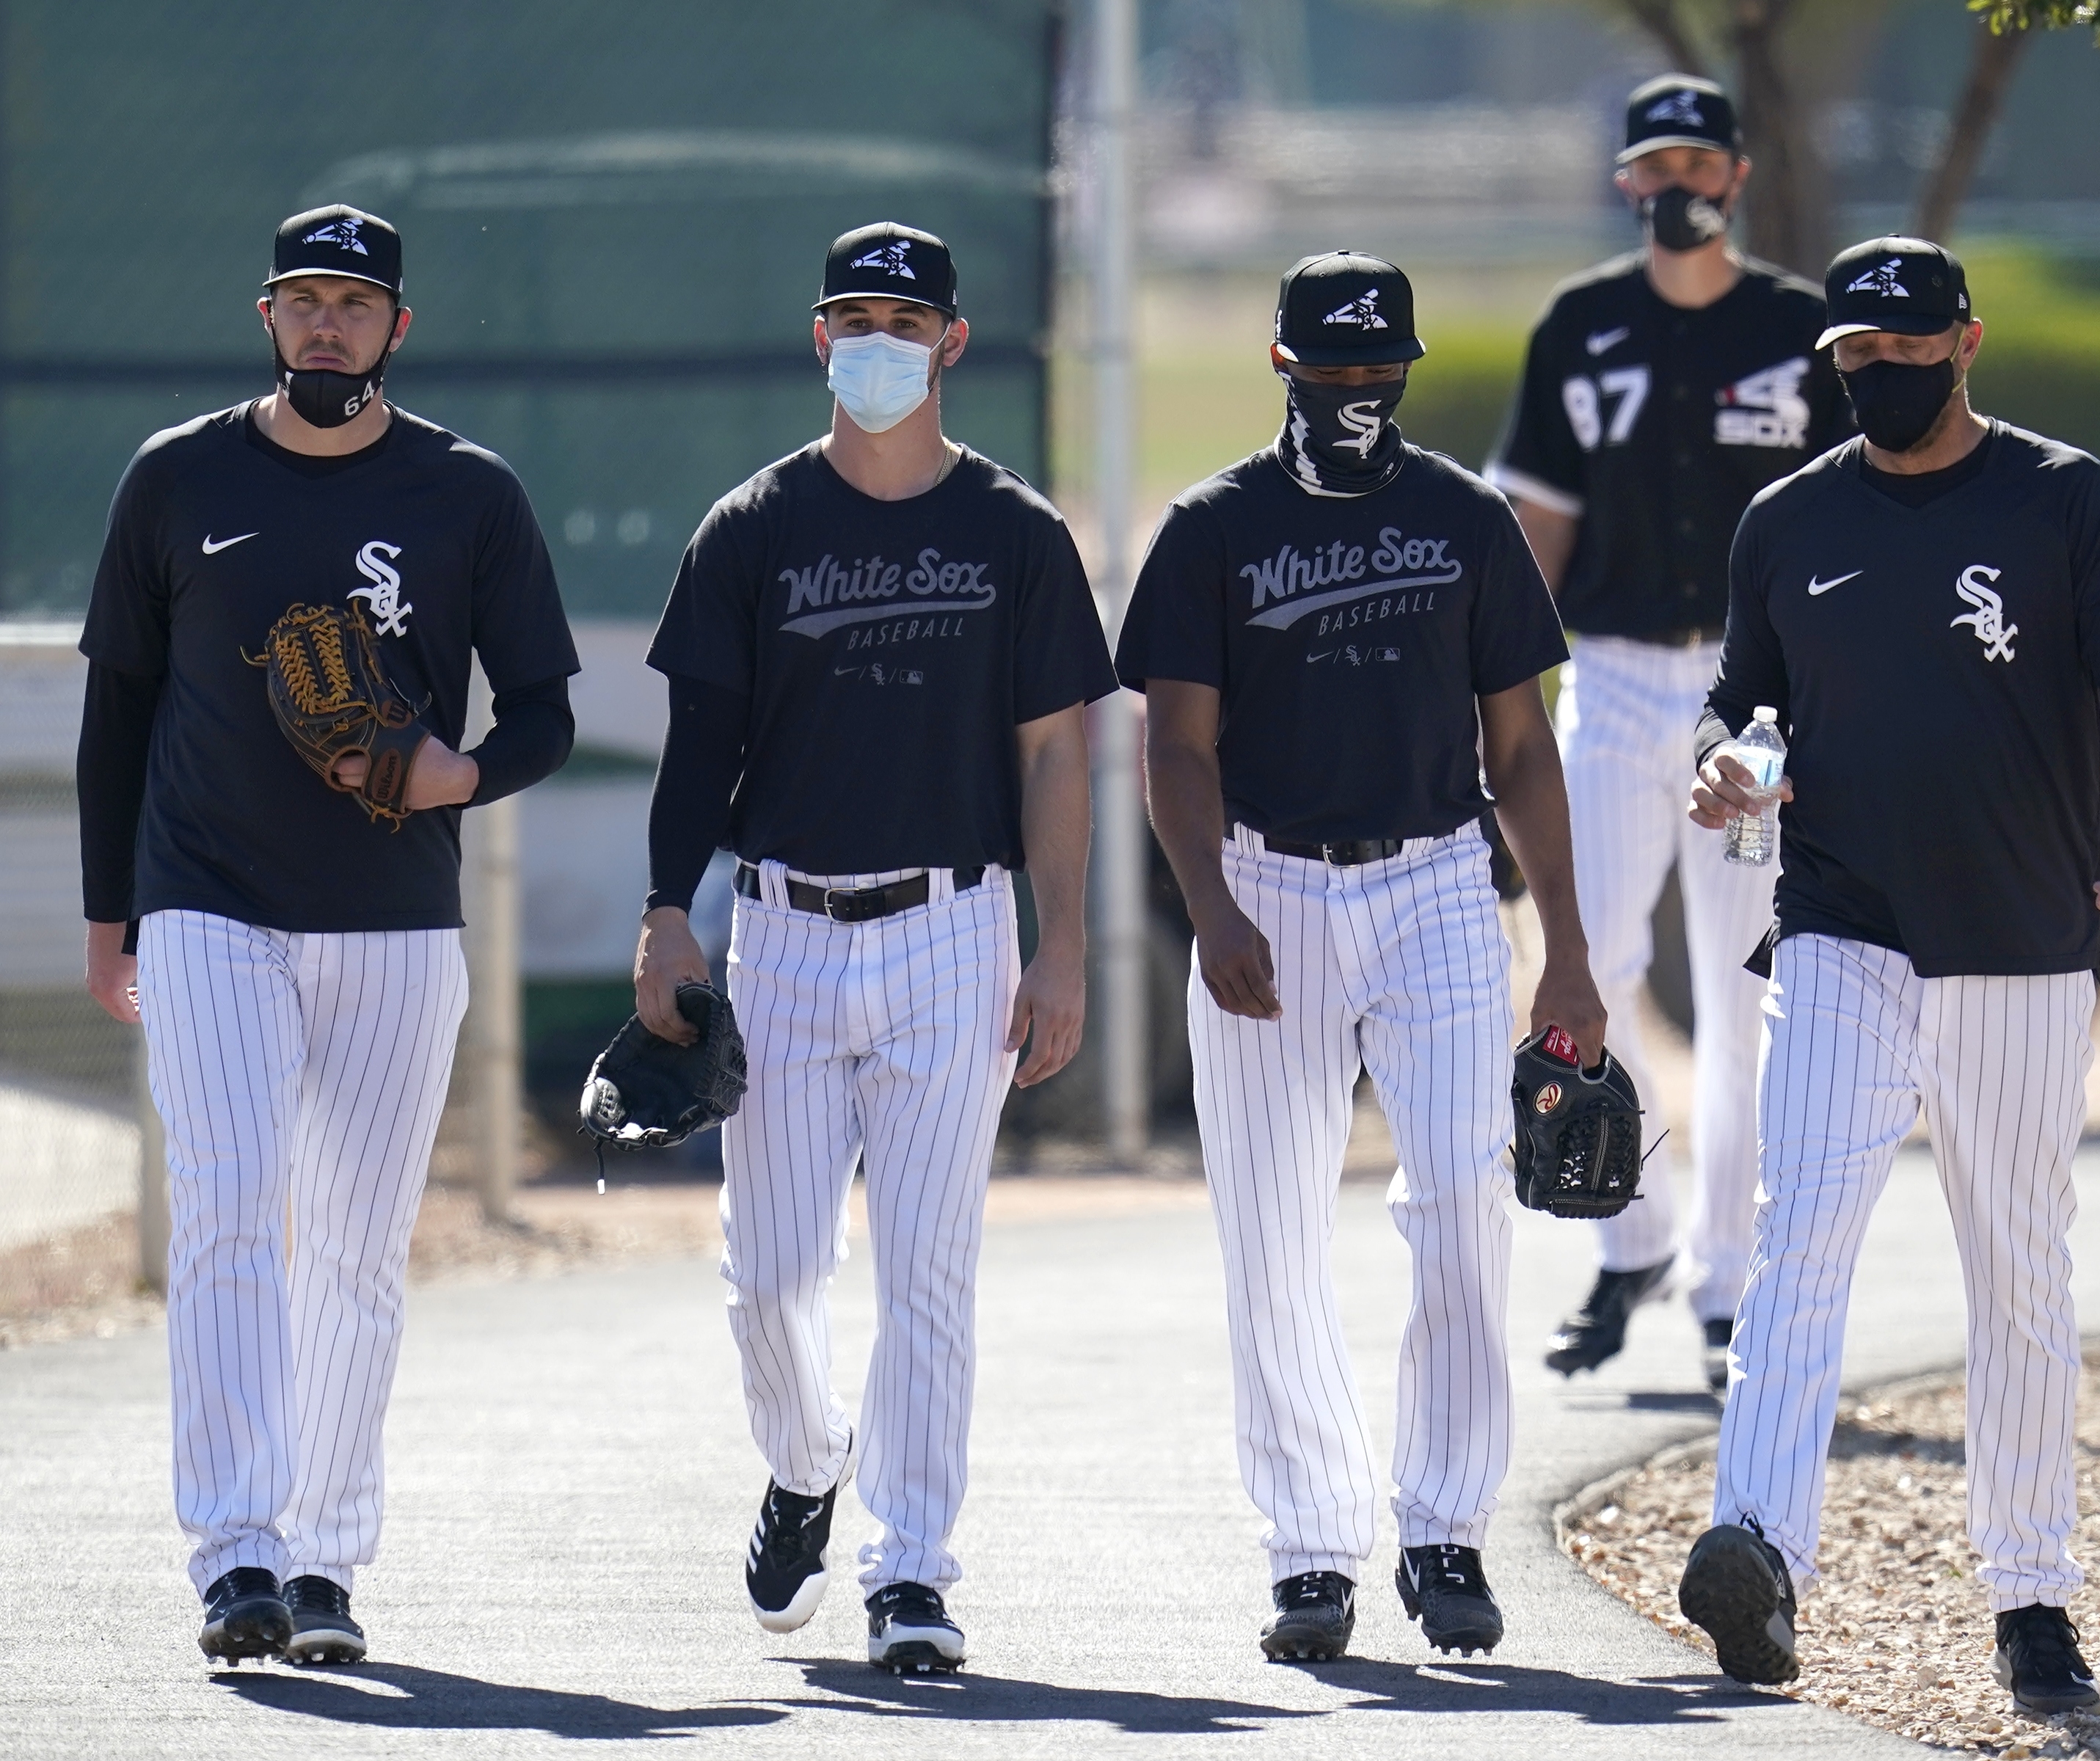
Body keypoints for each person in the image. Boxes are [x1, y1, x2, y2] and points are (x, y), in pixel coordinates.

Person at [1674, 236, 2100, 1714]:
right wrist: (1730, 759)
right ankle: (1760, 1552)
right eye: (1855, 359)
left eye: (1906, 355)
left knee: (2018, 1271)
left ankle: (2032, 1599)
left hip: (2027, 938)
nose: (1880, 380)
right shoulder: (1785, 520)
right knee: (1801, 1236)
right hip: (1842, 921)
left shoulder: (2063, 499)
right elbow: (1744, 692)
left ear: (1966, 345)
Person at [75, 205, 578, 1666]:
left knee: (355, 1251)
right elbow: (118, 711)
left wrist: (461, 771)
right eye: (303, 299)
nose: (326, 326)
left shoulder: (467, 494)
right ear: (266, 314)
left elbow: (543, 703)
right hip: (206, 900)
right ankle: (236, 1550)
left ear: (397, 328)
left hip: (395, 916)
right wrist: (114, 917)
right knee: (232, 1211)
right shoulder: (177, 479)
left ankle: (326, 1560)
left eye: (355, 303)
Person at [634, 223, 1116, 1674]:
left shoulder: (1016, 534)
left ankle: (913, 1570)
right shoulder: (753, 527)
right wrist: (668, 917)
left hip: (952, 929)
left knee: (929, 1272)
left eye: (906, 318)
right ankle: (805, 1461)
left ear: (953, 343)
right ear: (820, 335)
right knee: (769, 1278)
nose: (879, 340)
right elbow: (698, 746)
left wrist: (1065, 946)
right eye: (854, 314)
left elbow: (1055, 756)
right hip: (779, 931)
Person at [1115, 252, 1604, 1663]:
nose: (1355, 395)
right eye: (1330, 372)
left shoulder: (1464, 519)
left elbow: (1519, 748)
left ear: (1407, 367)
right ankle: (1314, 1549)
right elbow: (1178, 744)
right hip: (1269, 885)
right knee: (1269, 1232)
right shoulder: (1214, 526)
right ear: (1282, 366)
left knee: (1461, 1199)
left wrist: (1564, 951)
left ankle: (1444, 1529)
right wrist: (1210, 904)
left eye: (1377, 370)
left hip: (1441, 883)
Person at [1489, 73, 1850, 1392]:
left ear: (1739, 178)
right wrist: (1495, 692)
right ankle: (1634, 1235)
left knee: (1745, 985)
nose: (1681, 185)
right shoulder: (1580, 326)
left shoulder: (1802, 329)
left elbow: (1845, 516)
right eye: (1657, 166)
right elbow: (1536, 526)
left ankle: (1726, 1284)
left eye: (1703, 162)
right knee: (1586, 952)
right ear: (1628, 182)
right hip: (1621, 677)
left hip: (1757, 697)